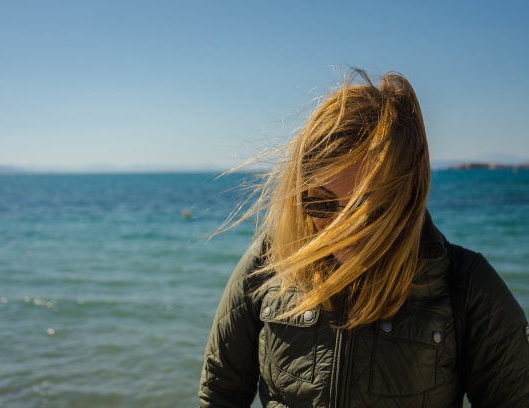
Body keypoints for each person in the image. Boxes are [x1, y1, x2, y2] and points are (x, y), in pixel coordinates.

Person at [198, 70, 529, 407]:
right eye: (322, 203)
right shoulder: (269, 263)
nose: (342, 229)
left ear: (408, 197)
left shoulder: (467, 285)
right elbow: (220, 392)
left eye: (364, 210)